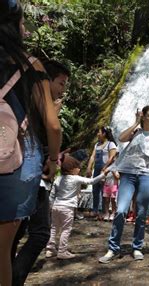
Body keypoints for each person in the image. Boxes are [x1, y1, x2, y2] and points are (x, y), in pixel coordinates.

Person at [0, 1, 62, 285]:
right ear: (13, 25)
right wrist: (53, 160)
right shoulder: (31, 65)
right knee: (1, 250)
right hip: (16, 160)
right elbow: (52, 124)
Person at [11, 59, 70, 286]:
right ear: (47, 80)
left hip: (17, 169)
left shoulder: (22, 101)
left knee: (15, 233)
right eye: (61, 83)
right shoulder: (42, 105)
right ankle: (13, 279)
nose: (62, 89)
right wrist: (54, 160)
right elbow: (53, 129)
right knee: (40, 233)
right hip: (33, 172)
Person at [99, 105, 149, 263]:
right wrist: (136, 123)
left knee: (142, 213)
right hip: (128, 174)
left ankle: (137, 247)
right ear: (143, 116)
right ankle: (113, 248)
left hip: (147, 175)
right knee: (121, 210)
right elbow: (121, 138)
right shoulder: (136, 131)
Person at [45, 155, 105, 260]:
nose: (79, 169)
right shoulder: (75, 178)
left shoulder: (58, 179)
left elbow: (52, 195)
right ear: (71, 169)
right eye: (78, 167)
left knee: (54, 228)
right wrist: (103, 174)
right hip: (67, 208)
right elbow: (91, 181)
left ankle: (50, 249)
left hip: (56, 207)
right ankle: (62, 251)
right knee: (66, 229)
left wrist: (50, 206)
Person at [86, 126, 117, 220]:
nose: (97, 134)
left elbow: (112, 157)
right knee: (95, 190)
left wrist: (104, 168)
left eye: (99, 132)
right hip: (97, 169)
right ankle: (95, 210)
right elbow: (92, 157)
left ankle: (104, 211)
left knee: (104, 191)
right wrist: (89, 167)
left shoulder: (111, 144)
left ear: (104, 133)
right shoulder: (97, 144)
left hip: (106, 170)